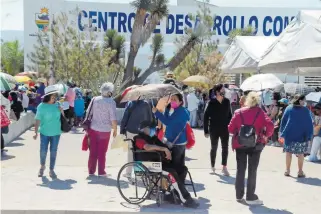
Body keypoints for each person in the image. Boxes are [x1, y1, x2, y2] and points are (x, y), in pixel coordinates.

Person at [133, 121, 199, 208]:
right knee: (172, 173)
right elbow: (147, 147)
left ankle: (174, 193)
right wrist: (163, 149)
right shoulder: (138, 138)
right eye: (152, 128)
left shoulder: (153, 138)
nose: (154, 130)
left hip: (160, 163)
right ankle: (186, 199)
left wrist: (168, 149)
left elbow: (164, 146)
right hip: (150, 165)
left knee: (183, 169)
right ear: (145, 129)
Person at [228, 92, 274, 205]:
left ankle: (239, 195)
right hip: (256, 144)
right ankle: (250, 196)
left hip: (240, 144)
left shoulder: (238, 112)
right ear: (257, 101)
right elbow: (270, 126)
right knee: (252, 170)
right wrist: (265, 134)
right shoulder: (261, 112)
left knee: (240, 169)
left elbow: (230, 128)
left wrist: (238, 131)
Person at [152, 93, 190, 182]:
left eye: (174, 99)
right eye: (171, 99)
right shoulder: (177, 110)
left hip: (177, 143)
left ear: (180, 102)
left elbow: (168, 122)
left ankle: (177, 184)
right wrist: (166, 110)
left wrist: (156, 112)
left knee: (176, 165)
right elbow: (168, 120)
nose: (172, 101)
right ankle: (179, 183)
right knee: (178, 164)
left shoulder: (181, 112)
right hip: (175, 141)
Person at [86, 82, 117, 176]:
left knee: (93, 151)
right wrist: (115, 130)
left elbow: (88, 112)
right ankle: (101, 171)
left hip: (93, 129)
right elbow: (113, 118)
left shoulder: (94, 99)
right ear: (109, 92)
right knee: (102, 152)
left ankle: (91, 171)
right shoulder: (111, 102)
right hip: (105, 131)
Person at [280, 94, 314, 178]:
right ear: (300, 101)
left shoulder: (289, 108)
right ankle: (300, 171)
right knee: (300, 153)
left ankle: (287, 170)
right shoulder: (305, 110)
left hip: (289, 135)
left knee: (288, 153)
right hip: (301, 136)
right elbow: (309, 124)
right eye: (304, 100)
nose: (305, 102)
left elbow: (283, 121)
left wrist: (282, 133)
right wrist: (309, 135)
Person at [33, 85, 62, 179]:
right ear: (47, 97)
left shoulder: (58, 105)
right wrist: (35, 132)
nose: (54, 98)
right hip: (44, 132)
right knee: (43, 151)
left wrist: (61, 111)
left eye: (55, 96)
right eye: (52, 97)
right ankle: (42, 166)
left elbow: (63, 118)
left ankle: (51, 170)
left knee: (53, 151)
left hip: (56, 132)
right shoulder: (41, 106)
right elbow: (37, 120)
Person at [120, 99, 155, 177]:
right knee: (141, 152)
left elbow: (125, 117)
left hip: (131, 131)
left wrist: (122, 130)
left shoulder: (131, 103)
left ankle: (128, 173)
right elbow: (152, 117)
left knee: (131, 152)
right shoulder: (148, 103)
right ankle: (140, 173)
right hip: (144, 131)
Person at [204, 84, 232, 176]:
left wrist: (230, 126)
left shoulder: (227, 102)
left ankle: (224, 167)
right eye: (222, 90)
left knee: (225, 148)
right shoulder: (211, 103)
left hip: (225, 129)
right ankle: (212, 166)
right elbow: (206, 116)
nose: (224, 91)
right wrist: (206, 130)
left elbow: (230, 115)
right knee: (214, 147)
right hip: (214, 129)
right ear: (217, 92)